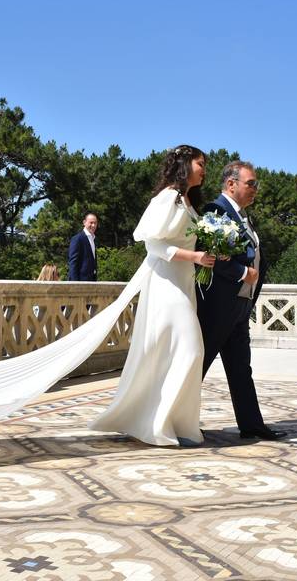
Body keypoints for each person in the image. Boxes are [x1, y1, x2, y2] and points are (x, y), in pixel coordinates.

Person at [90, 146, 216, 446]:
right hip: (166, 285)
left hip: (183, 284)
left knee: (169, 353)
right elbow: (152, 245)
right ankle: (160, 425)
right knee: (192, 349)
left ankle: (174, 423)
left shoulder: (187, 201)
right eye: (200, 164)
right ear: (185, 164)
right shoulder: (168, 197)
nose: (204, 170)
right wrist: (194, 256)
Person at [196, 161, 286, 441]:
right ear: (231, 184)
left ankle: (252, 426)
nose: (255, 189)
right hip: (217, 306)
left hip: (239, 306)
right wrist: (244, 272)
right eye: (251, 183)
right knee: (197, 367)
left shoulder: (243, 216)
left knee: (240, 369)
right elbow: (210, 256)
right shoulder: (216, 210)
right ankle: (175, 421)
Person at [67, 212, 98, 281]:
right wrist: (75, 284)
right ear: (84, 222)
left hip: (92, 282)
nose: (93, 225)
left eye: (95, 223)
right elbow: (73, 263)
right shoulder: (77, 239)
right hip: (80, 282)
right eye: (91, 222)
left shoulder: (94, 239)